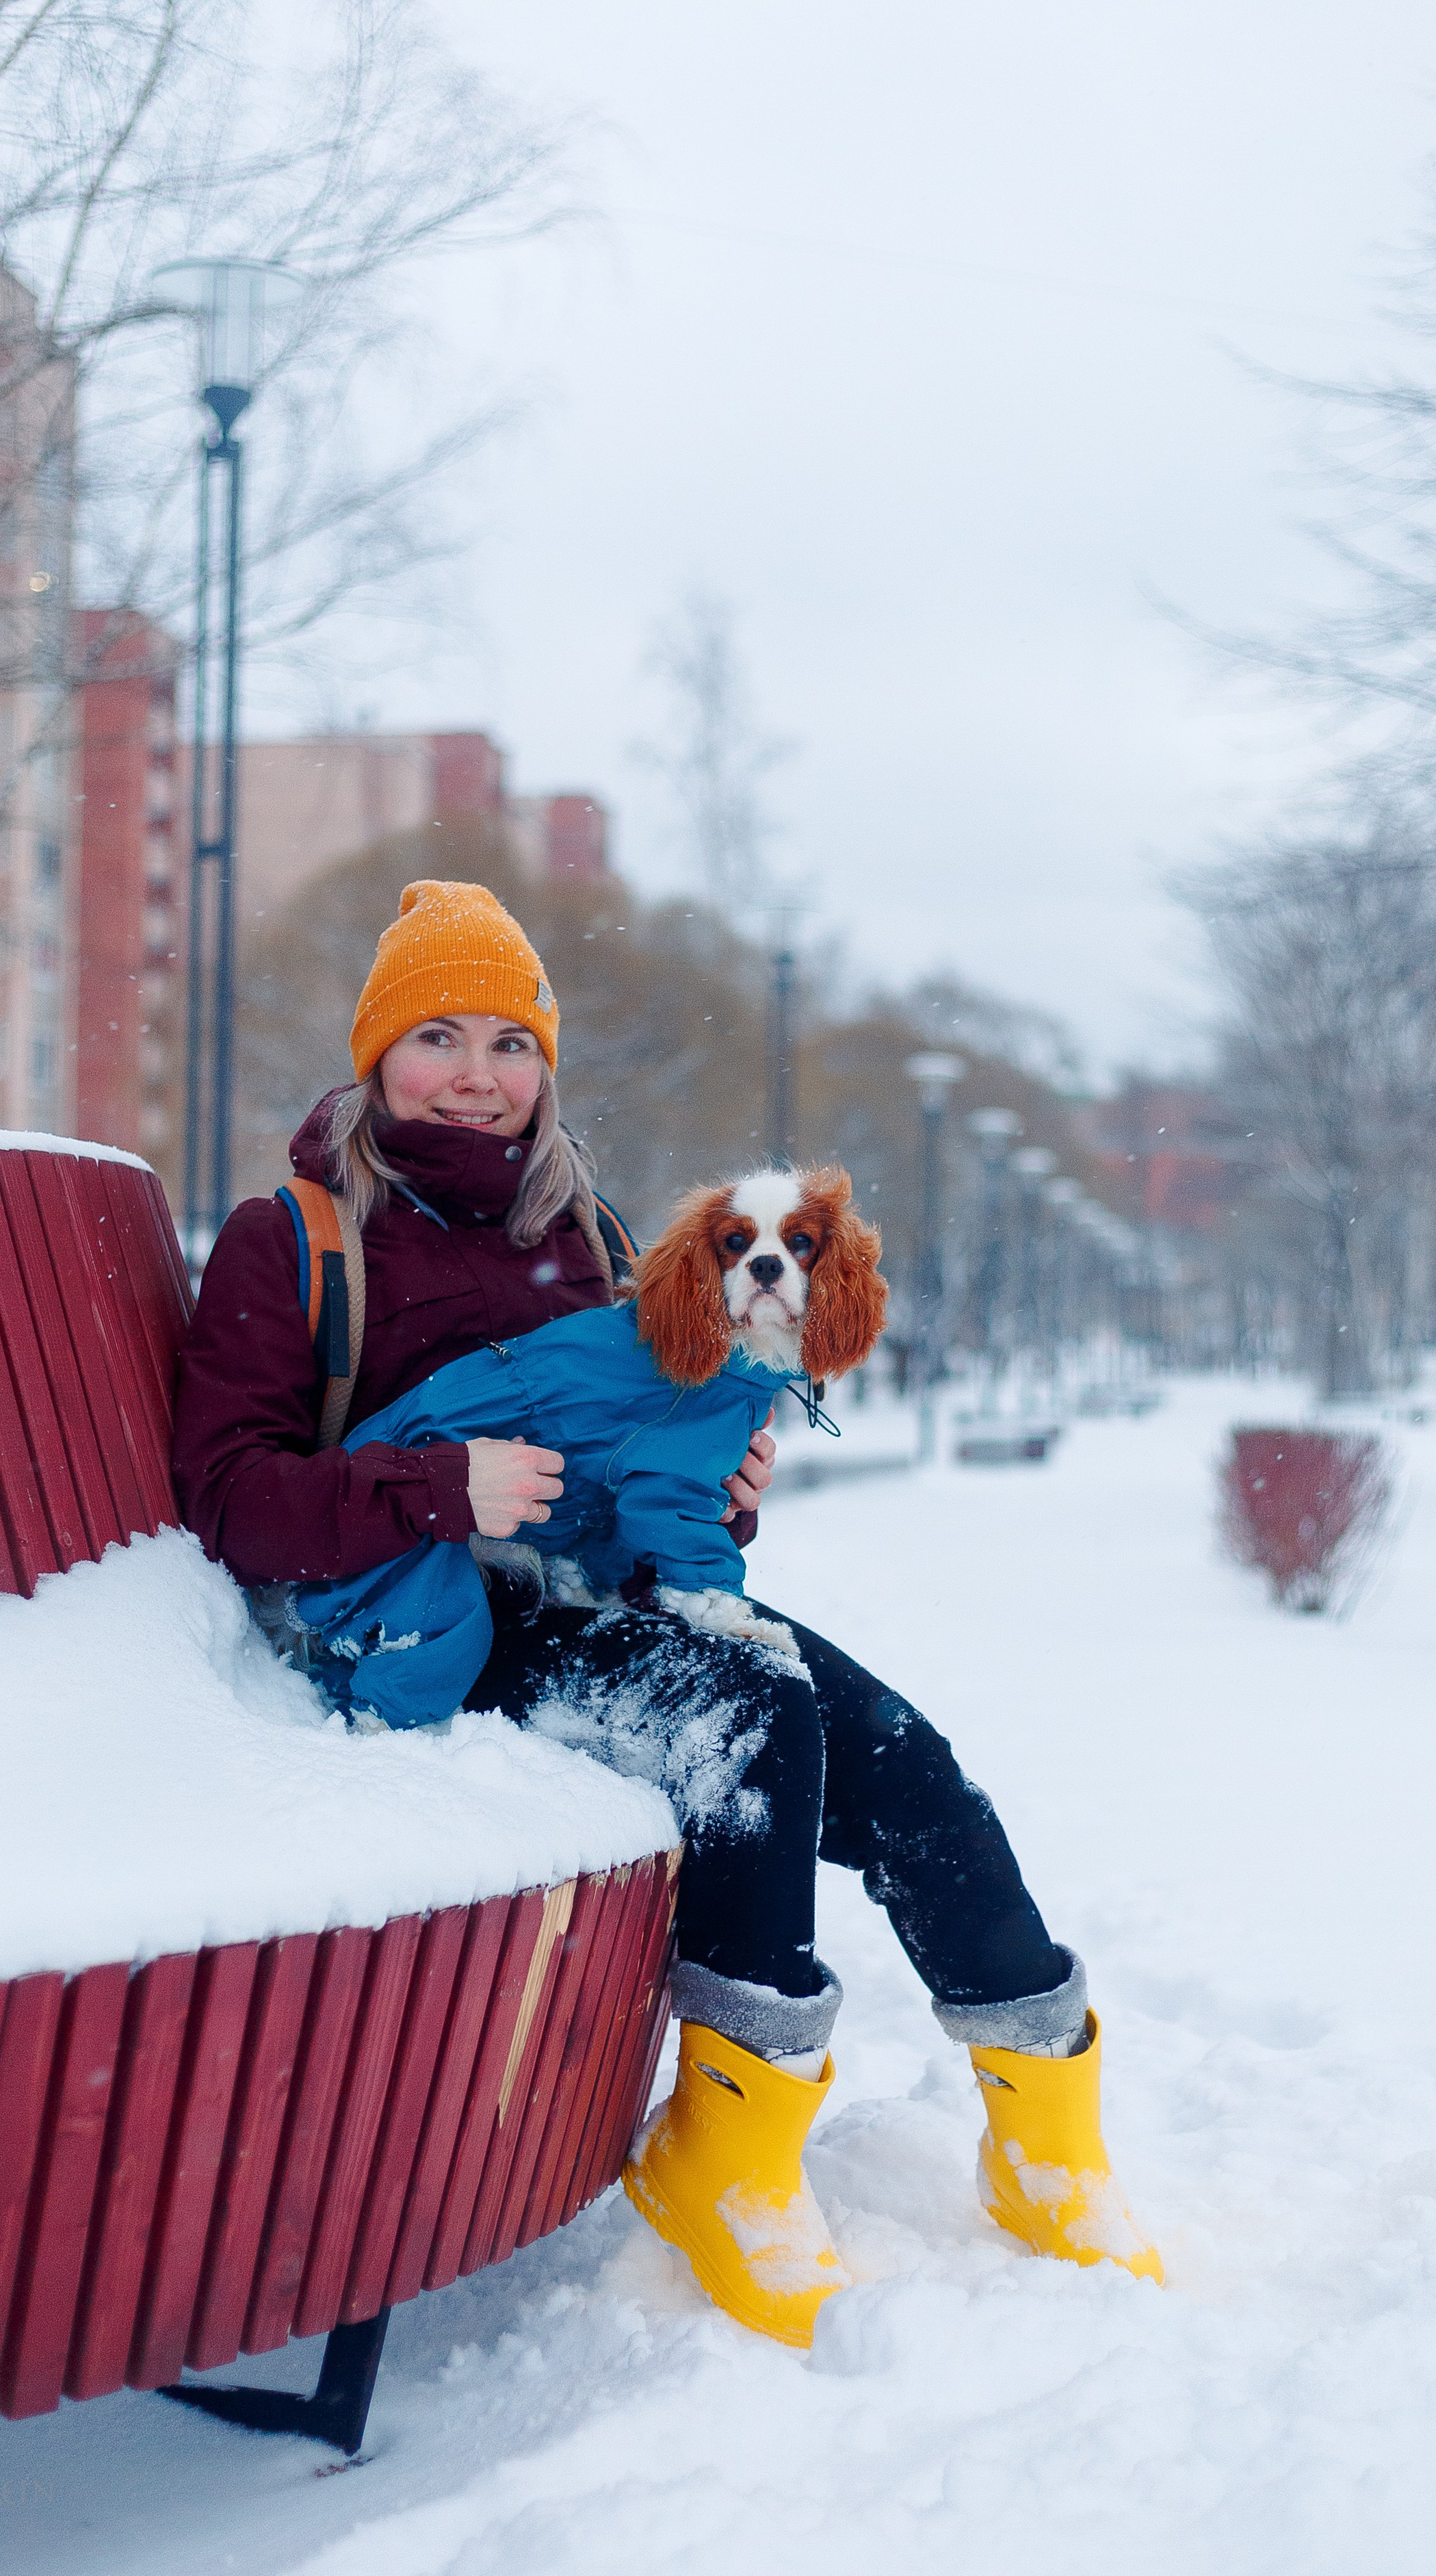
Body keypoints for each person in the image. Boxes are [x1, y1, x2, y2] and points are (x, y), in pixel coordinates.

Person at [173, 879, 1161, 2347]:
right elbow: (228, 1496)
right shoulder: (298, 1237)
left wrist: (729, 1492)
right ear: (377, 1053)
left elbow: (647, 1453)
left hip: (603, 1597)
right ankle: (728, 2155)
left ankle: (1047, 2134)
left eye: (511, 1043)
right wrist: (438, 1487)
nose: (476, 1075)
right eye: (437, 1036)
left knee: (899, 1758)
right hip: (431, 1623)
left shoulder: (595, 1234)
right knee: (749, 1720)